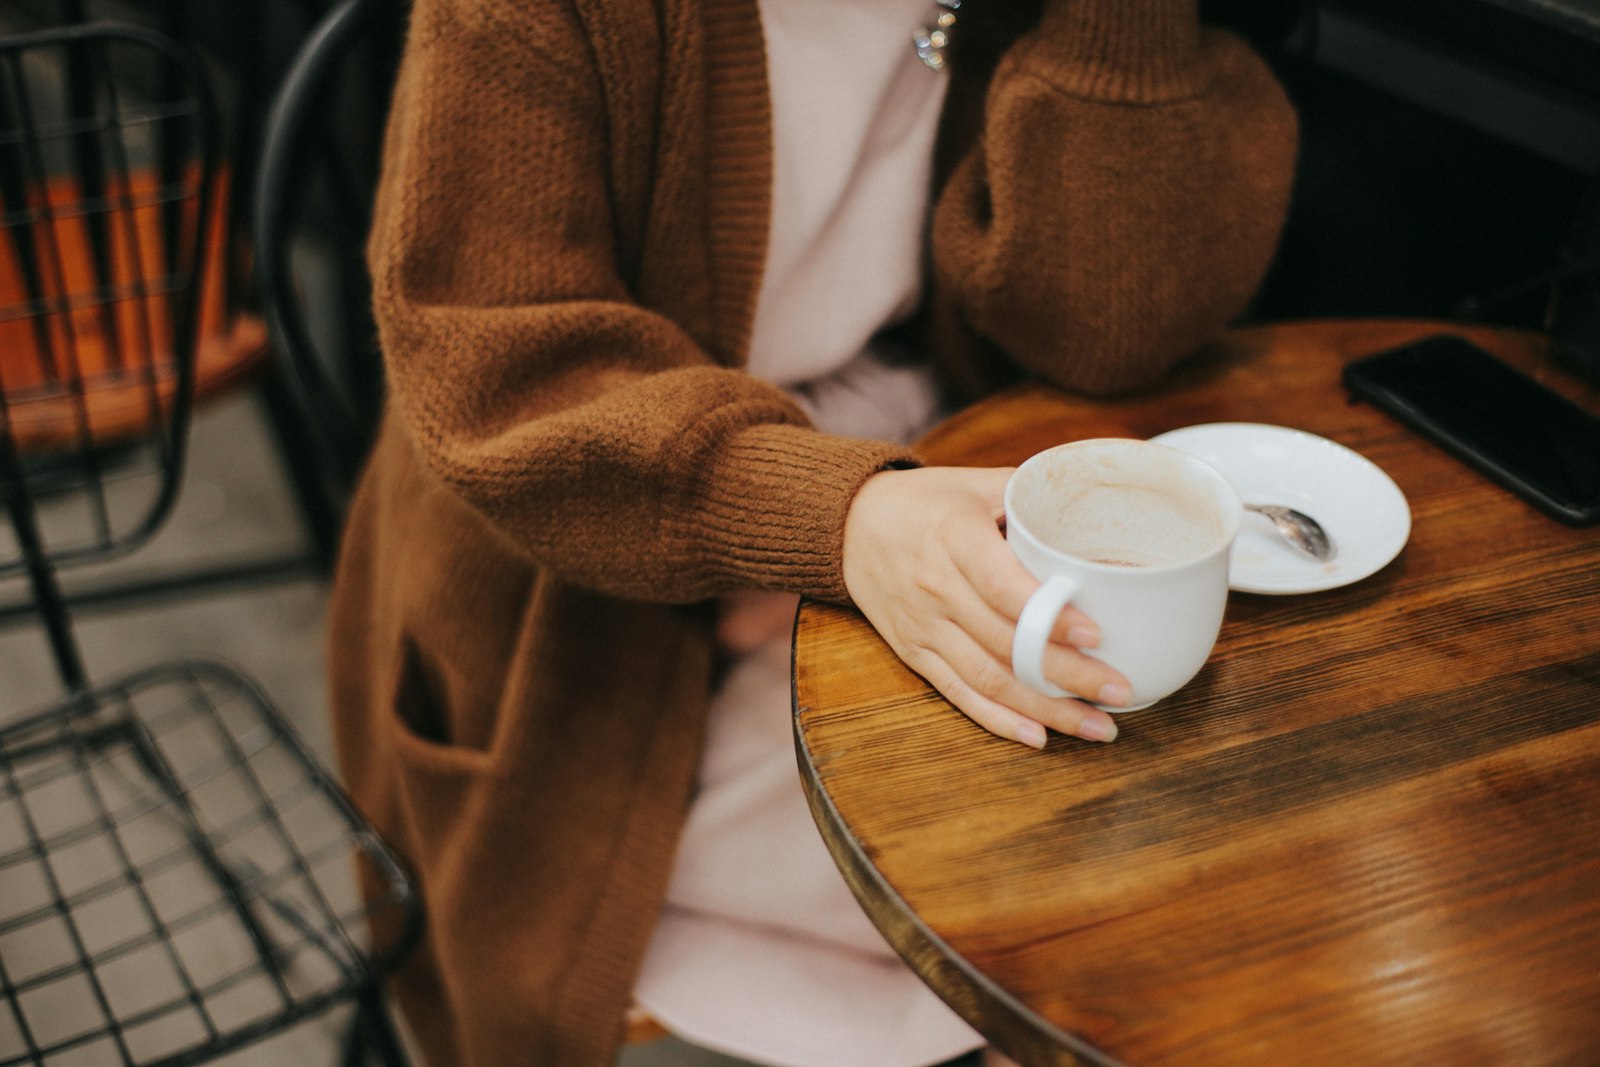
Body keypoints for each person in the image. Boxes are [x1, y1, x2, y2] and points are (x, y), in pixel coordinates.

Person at [325, 0, 1297, 1064]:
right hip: (582, 565)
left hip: (923, 463)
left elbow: (1110, 328)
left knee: (1199, 835)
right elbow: (501, 370)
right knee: (1101, 895)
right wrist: (834, 519)